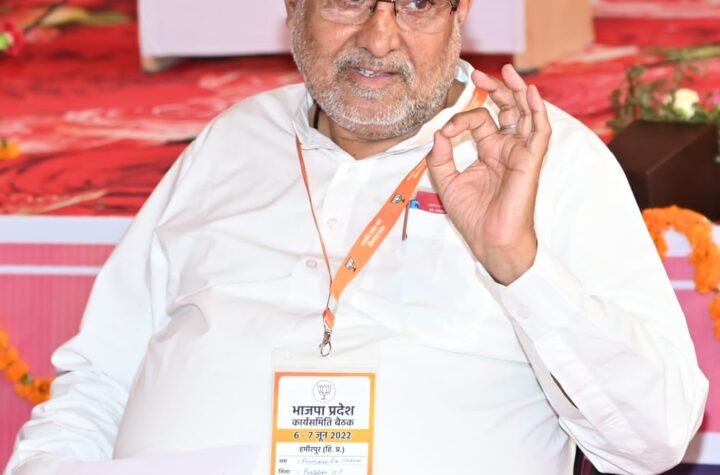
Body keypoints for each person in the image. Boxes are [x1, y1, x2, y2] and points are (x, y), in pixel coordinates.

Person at [5, 0, 708, 474]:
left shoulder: (544, 157)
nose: (379, 38)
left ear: (461, 11)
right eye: (347, 0)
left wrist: (517, 264)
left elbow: (652, 440)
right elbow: (98, 383)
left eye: (417, 4)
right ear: (291, 8)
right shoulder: (232, 142)